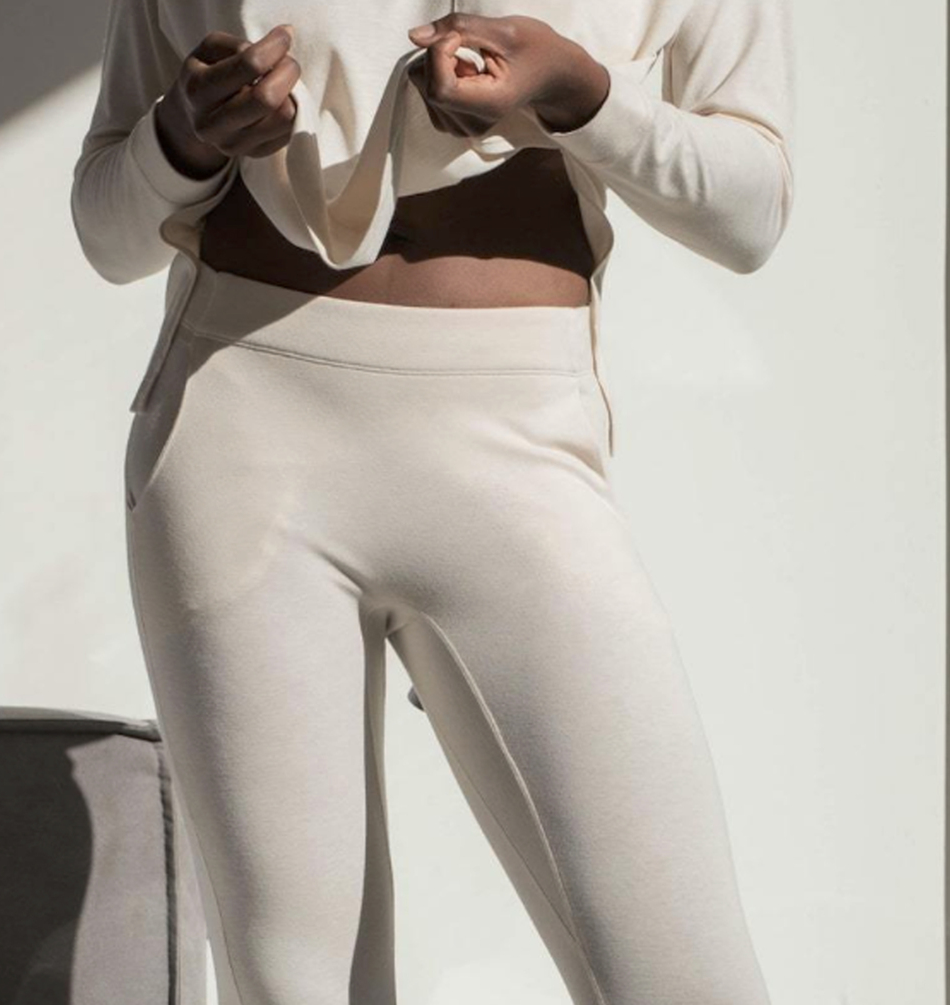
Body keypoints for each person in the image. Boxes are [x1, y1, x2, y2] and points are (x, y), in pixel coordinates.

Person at [70, 1, 795, 1002]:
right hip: (240, 427)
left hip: (515, 439)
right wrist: (184, 140)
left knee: (685, 977)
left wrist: (581, 94)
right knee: (295, 984)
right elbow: (107, 232)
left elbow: (751, 216)